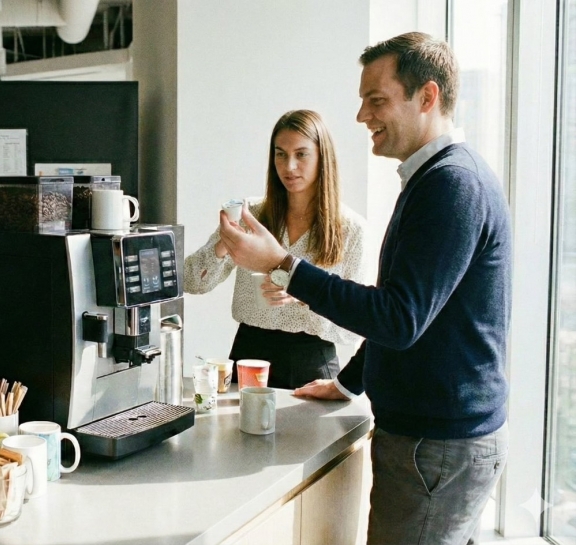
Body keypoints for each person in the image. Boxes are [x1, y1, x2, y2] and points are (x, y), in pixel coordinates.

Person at [218, 32, 510, 544]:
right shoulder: (436, 180)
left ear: (427, 96)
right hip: (434, 442)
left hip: (435, 445)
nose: (361, 116)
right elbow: (410, 309)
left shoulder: (451, 185)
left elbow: (398, 318)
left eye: (376, 100)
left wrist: (284, 265)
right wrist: (350, 382)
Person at [184, 110, 366, 389]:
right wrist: (224, 243)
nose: (289, 166)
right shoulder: (250, 215)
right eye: (280, 154)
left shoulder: (350, 229)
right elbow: (191, 281)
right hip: (248, 355)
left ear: (322, 157)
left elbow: (354, 326)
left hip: (312, 361)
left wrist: (303, 292)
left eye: (301, 154)